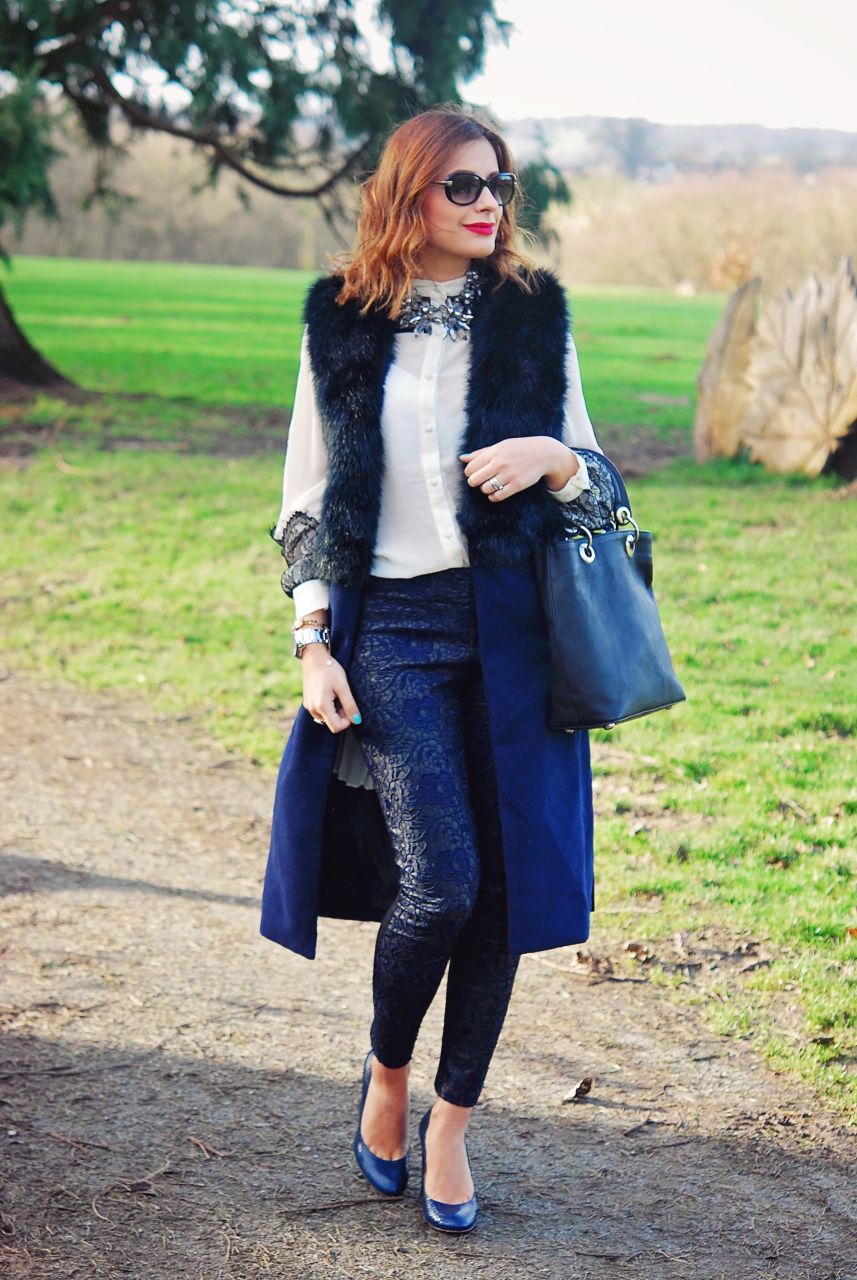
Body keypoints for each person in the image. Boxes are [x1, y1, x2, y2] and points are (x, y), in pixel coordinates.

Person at [263, 104, 603, 1234]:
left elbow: (596, 480)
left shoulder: (532, 314)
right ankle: (389, 1073)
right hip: (394, 634)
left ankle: (451, 1123)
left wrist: (553, 456)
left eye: (497, 184)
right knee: (443, 882)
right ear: (406, 193)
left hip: (516, 637)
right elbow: (306, 500)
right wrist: (313, 640)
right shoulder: (342, 320)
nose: (486, 203)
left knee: (502, 894)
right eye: (462, 185)